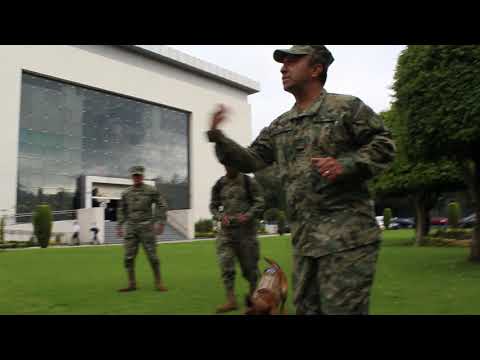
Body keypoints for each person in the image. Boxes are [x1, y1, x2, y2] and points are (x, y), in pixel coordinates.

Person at [206, 45, 396, 315]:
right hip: (305, 243)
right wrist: (218, 137)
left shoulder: (346, 107)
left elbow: (385, 145)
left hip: (348, 241)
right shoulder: (281, 125)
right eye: (283, 62)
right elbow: (249, 160)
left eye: (293, 61)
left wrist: (346, 164)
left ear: (316, 69)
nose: (283, 67)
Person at [210, 166, 265, 313]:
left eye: (233, 162)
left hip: (246, 233)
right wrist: (221, 217)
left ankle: (254, 299)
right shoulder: (219, 184)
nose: (230, 166)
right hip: (226, 233)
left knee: (250, 269)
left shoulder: (248, 182)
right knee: (226, 266)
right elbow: (213, 206)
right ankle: (231, 300)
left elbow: (259, 202)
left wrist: (248, 215)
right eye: (227, 163)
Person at [116, 166, 168, 292]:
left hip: (147, 228)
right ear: (132, 177)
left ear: (143, 176)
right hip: (131, 228)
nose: (137, 178)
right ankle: (132, 283)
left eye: (139, 175)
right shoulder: (126, 193)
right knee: (128, 257)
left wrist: (159, 222)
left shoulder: (151, 190)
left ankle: (158, 282)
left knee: (152, 257)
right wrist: (119, 225)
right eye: (134, 176)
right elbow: (121, 210)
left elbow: (162, 205)